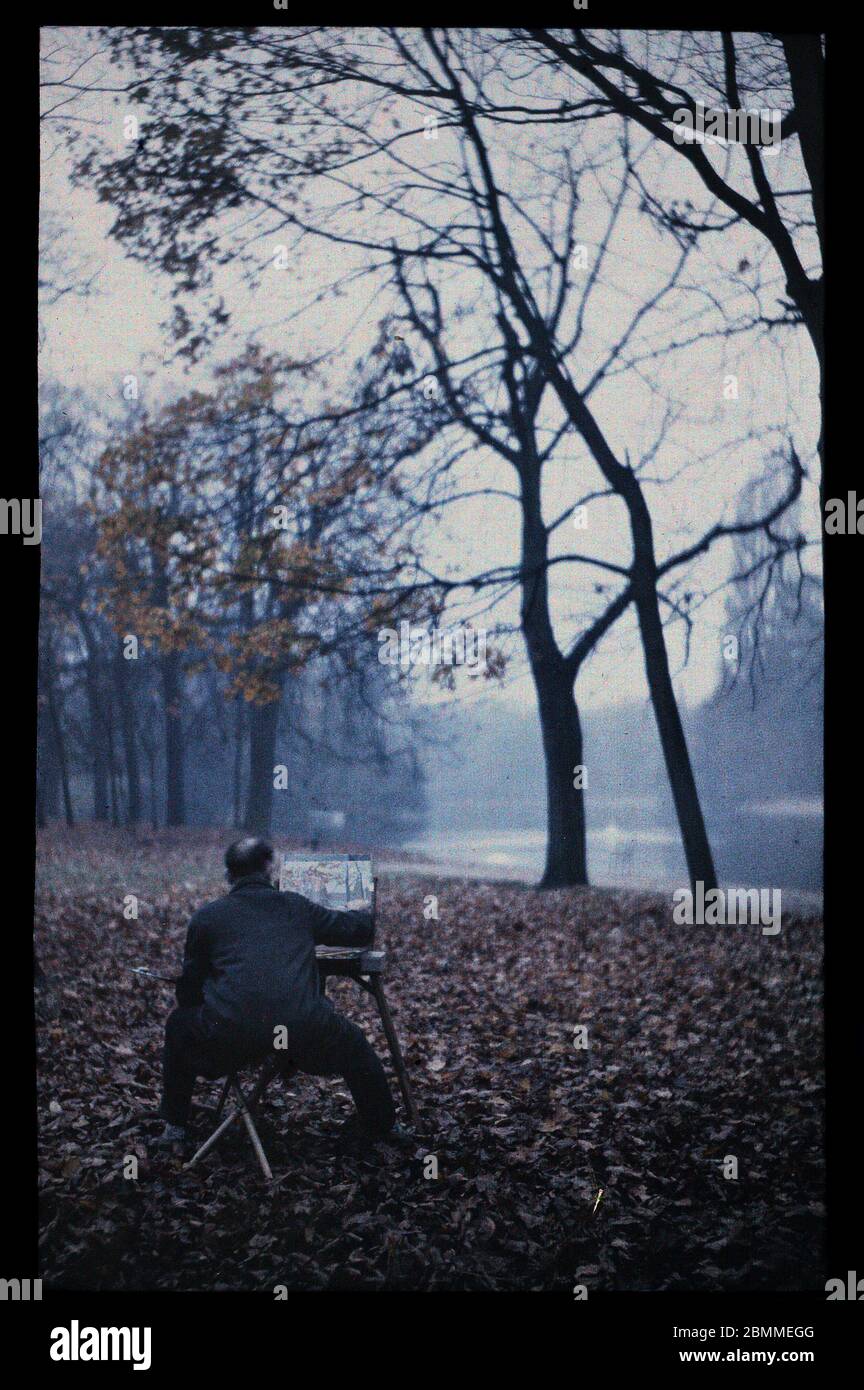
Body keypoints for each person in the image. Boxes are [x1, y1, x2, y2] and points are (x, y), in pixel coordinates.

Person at [156, 837, 399, 1151]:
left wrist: (219, 1003)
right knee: (354, 1043)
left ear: (229, 875)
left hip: (230, 1036)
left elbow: (189, 989)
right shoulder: (296, 907)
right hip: (302, 1033)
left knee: (179, 1025)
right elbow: (358, 930)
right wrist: (363, 903)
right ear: (270, 868)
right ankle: (382, 1127)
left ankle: (175, 1126)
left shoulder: (208, 916)